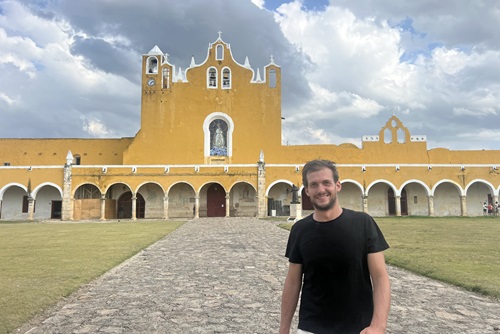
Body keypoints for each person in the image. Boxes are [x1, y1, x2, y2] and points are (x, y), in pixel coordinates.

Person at [280, 160, 391, 334]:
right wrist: (283, 328)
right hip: (312, 328)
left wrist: (378, 325)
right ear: (307, 190)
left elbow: (380, 277)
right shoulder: (300, 230)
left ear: (337, 185)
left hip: (359, 328)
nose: (321, 190)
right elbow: (293, 282)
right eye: (314, 185)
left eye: (326, 183)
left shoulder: (363, 223)